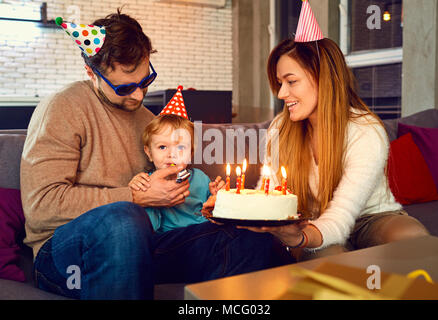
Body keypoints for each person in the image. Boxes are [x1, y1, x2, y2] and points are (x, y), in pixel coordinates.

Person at [21, 10, 288, 300]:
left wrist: (212, 206)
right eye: (124, 87)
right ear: (91, 73)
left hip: (146, 243)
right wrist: (136, 197)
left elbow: (175, 196)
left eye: (145, 81)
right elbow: (42, 206)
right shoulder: (63, 108)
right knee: (123, 221)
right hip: (65, 253)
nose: (138, 95)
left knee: (249, 240)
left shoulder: (149, 121)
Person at [203, 2, 429, 261]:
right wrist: (230, 207)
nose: (281, 93)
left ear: (324, 77)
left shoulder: (365, 130)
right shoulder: (280, 130)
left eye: (291, 81)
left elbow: (342, 214)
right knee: (331, 257)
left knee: (413, 238)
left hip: (370, 218)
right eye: (279, 83)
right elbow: (272, 199)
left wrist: (300, 237)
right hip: (309, 222)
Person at [128, 103, 223, 233]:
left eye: (180, 147)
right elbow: (150, 228)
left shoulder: (201, 178)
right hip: (171, 239)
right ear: (149, 153)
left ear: (191, 154)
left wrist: (218, 197)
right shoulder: (148, 182)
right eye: (162, 147)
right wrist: (144, 196)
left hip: (206, 233)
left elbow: (216, 216)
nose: (171, 154)